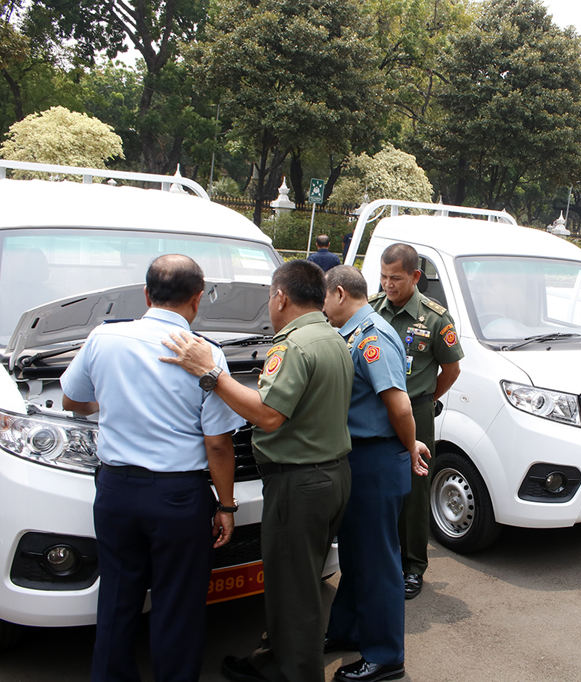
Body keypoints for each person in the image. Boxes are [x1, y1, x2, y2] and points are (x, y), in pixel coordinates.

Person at [160, 259, 353, 682]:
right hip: (331, 475)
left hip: (300, 483)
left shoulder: (293, 346)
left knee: (295, 592)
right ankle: (272, 662)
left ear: (281, 297)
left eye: (270, 295)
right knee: (292, 583)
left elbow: (267, 416)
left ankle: (296, 674)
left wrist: (211, 375)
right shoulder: (332, 337)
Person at [60, 254, 243, 682]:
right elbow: (217, 443)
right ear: (198, 300)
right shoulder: (207, 355)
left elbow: (72, 400)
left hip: (116, 493)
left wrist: (110, 405)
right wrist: (227, 506)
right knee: (177, 607)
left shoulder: (103, 339)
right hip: (178, 499)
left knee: (117, 600)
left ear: (146, 293)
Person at [322, 265, 431, 682]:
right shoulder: (352, 332)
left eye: (325, 299)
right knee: (356, 556)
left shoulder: (372, 336)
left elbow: (398, 404)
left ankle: (386, 657)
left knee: (379, 562)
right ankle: (348, 630)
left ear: (339, 294)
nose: (324, 307)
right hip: (358, 458)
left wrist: (409, 445)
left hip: (376, 460)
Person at [370, 243, 463, 600]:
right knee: (378, 482)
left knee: (414, 487)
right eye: (383, 277)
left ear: (415, 277)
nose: (388, 284)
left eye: (395, 278)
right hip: (377, 411)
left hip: (417, 410)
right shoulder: (373, 310)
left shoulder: (435, 318)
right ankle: (384, 556)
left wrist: (427, 399)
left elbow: (452, 369)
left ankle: (413, 566)